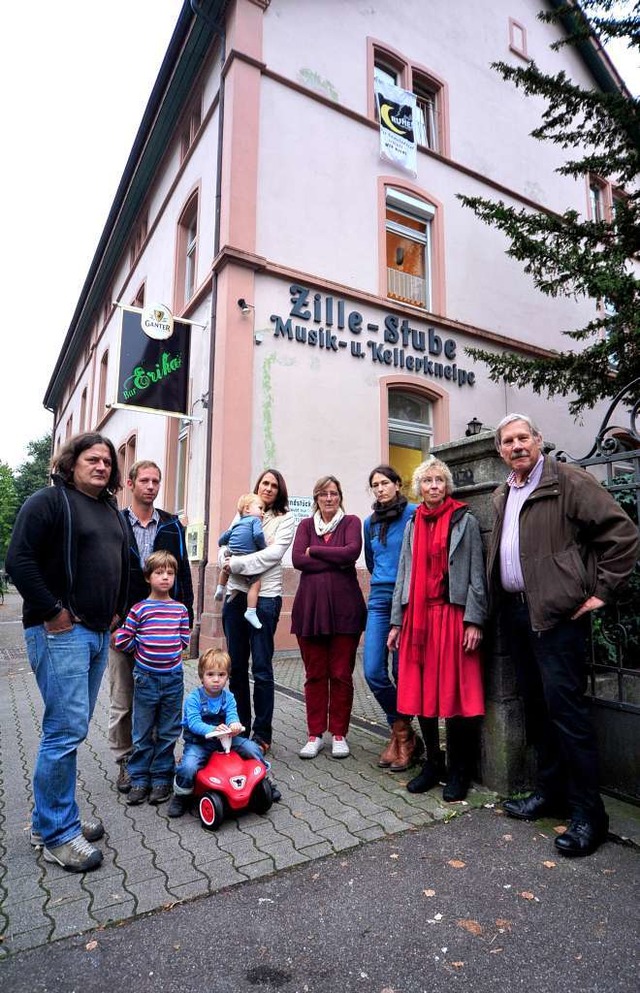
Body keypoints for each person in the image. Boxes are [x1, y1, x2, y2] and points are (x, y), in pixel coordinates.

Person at [487, 414, 639, 857]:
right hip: (518, 616)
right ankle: (549, 792)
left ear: (538, 440)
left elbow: (623, 534)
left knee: (568, 716)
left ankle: (589, 814)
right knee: (537, 712)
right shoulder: (503, 492)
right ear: (500, 451)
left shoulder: (567, 480)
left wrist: (601, 592)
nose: (517, 446)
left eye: (523, 438)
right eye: (508, 441)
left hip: (558, 619)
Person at [6, 432, 129, 872]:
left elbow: (123, 562)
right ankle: (57, 834)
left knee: (71, 728)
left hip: (96, 634)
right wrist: (53, 611)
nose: (101, 467)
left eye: (108, 462)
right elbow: (18, 561)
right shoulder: (49, 502)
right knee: (63, 731)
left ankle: (53, 819)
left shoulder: (110, 510)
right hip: (61, 633)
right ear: (71, 462)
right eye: (92, 459)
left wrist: (117, 611)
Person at [388, 457, 487, 802]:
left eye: (439, 481)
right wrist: (396, 622)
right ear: (419, 488)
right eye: (427, 481)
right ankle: (433, 764)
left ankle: (460, 771)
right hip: (418, 618)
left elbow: (477, 574)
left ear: (447, 486)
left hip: (453, 616)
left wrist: (474, 619)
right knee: (422, 694)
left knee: (454, 694)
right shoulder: (414, 522)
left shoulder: (465, 520)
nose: (433, 486)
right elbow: (403, 572)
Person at [108, 459, 194, 795]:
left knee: (160, 700)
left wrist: (184, 616)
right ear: (130, 484)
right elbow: (105, 570)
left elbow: (182, 572)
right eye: (144, 480)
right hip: (124, 624)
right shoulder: (115, 521)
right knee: (123, 700)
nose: (151, 486)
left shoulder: (172, 525)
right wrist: (111, 619)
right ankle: (126, 763)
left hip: (162, 627)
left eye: (156, 481)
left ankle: (159, 765)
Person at [291, 475, 367, 759]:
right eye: (323, 494)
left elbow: (351, 553)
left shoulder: (351, 523)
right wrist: (333, 557)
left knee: (341, 674)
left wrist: (317, 551)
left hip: (345, 611)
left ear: (340, 496)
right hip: (310, 611)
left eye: (334, 493)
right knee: (314, 675)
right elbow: (298, 559)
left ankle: (338, 734)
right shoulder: (305, 525)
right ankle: (314, 734)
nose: (329, 498)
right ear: (316, 498)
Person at [220, 469, 294, 756]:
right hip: (236, 596)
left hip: (265, 599)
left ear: (279, 490)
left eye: (274, 485)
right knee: (236, 666)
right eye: (265, 483)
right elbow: (223, 547)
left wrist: (234, 565)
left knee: (261, 668)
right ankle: (240, 729)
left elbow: (272, 556)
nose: (268, 488)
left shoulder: (285, 519)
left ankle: (262, 733)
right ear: (258, 486)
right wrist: (226, 560)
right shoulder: (244, 512)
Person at [113, 550, 191, 806]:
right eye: (159, 573)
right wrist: (140, 649)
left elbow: (183, 640)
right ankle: (139, 779)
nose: (165, 577)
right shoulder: (139, 609)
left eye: (170, 573)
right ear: (148, 577)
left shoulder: (179, 609)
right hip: (145, 678)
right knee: (142, 731)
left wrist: (170, 651)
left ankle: (161, 779)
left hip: (172, 679)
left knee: (168, 731)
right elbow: (123, 638)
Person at [363, 465, 422, 771]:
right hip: (379, 599)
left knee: (401, 671)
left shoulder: (414, 512)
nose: (380, 489)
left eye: (385, 482)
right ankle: (403, 732)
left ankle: (401, 740)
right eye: (375, 485)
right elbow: (372, 562)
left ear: (398, 485)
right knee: (373, 670)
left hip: (408, 599)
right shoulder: (369, 523)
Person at [168, 648, 269, 817]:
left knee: (252, 749)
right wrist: (212, 729)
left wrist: (234, 724)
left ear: (227, 676)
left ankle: (263, 783)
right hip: (200, 743)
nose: (216, 680)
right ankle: (182, 795)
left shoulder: (228, 697)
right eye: (210, 674)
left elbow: (231, 715)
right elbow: (193, 723)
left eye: (221, 675)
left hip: (227, 740)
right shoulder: (194, 699)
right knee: (188, 766)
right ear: (201, 676)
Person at [215, 493, 267, 630]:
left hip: (232, 554)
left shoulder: (237, 524)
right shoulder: (255, 521)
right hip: (246, 557)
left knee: (226, 568)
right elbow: (258, 535)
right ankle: (250, 611)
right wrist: (263, 548)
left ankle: (220, 588)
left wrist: (223, 544)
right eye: (260, 508)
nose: (263, 512)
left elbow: (222, 539)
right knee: (255, 583)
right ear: (247, 509)